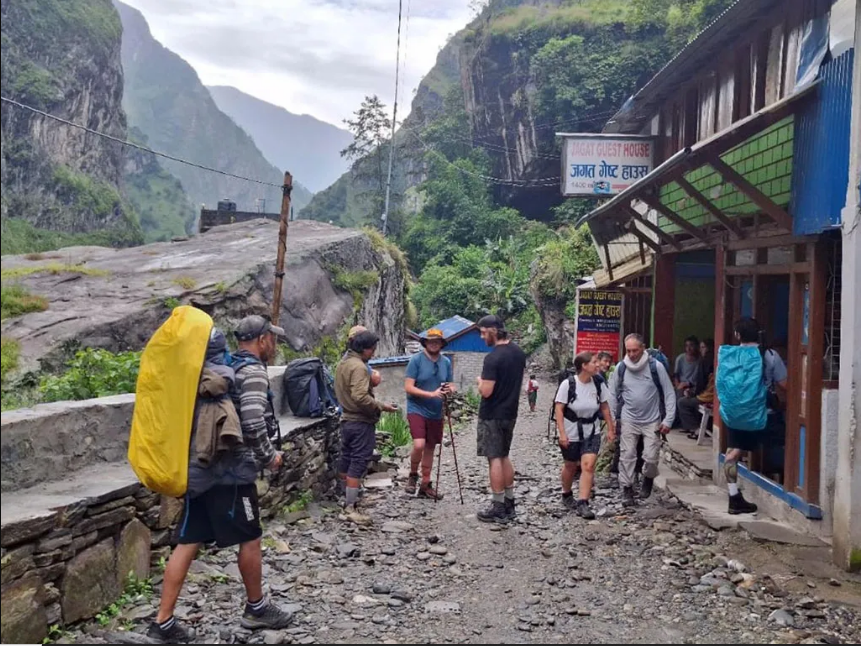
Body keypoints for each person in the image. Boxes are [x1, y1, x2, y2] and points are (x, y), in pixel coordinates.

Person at [148, 316, 293, 643]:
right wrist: (270, 457)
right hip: (231, 475)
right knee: (251, 536)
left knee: (188, 541)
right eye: (273, 337)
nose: (275, 343)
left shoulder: (215, 369)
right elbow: (254, 423)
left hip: (199, 469)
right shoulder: (252, 372)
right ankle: (256, 608)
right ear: (262, 339)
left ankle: (163, 621)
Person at [717, 318, 787, 515]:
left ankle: (733, 496)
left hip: (734, 414)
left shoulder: (730, 355)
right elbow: (785, 384)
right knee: (788, 443)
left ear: (738, 335)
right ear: (759, 333)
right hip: (763, 415)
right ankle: (782, 482)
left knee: (732, 453)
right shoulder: (769, 355)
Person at [334, 329, 398, 522]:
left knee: (346, 457)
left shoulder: (343, 364)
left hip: (345, 419)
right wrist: (382, 406)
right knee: (358, 461)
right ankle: (351, 505)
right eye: (372, 349)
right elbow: (360, 396)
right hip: (360, 421)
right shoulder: (359, 367)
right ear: (365, 349)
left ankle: (343, 495)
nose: (373, 353)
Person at [609, 333, 677, 507]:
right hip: (628, 419)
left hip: (652, 419)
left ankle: (648, 478)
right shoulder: (621, 368)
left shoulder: (656, 367)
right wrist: (612, 419)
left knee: (651, 457)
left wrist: (668, 419)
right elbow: (611, 393)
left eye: (635, 350)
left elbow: (669, 393)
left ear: (643, 348)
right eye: (628, 350)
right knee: (627, 455)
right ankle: (627, 490)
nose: (632, 354)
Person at [475, 315, 527, 524]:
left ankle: (497, 505)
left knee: (494, 457)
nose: (481, 337)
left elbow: (486, 391)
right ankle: (509, 501)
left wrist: (479, 381)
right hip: (510, 411)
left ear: (493, 331)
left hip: (492, 414)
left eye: (482, 332)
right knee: (504, 455)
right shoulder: (518, 352)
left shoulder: (493, 358)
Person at [554, 352, 616, 519]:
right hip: (571, 430)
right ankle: (566, 494)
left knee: (588, 466)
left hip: (592, 430)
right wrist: (562, 433)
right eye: (594, 362)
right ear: (584, 366)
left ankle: (583, 502)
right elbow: (559, 409)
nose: (598, 365)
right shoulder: (568, 384)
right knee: (570, 465)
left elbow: (604, 406)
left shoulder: (598, 383)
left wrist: (610, 428)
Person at [404, 328, 454, 500]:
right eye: (430, 341)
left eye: (437, 341)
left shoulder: (446, 362)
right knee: (419, 444)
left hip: (436, 410)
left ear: (441, 343)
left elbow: (450, 383)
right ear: (425, 342)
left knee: (430, 448)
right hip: (416, 407)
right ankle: (412, 475)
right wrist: (431, 394)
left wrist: (450, 389)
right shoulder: (416, 360)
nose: (434, 343)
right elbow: (408, 387)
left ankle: (426, 484)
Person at [678, 339, 715, 438]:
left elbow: (701, 384)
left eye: (703, 347)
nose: (701, 350)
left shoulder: (705, 361)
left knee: (682, 402)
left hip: (708, 396)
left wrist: (692, 393)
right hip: (713, 395)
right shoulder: (716, 359)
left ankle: (695, 429)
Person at [673, 336, 702, 417]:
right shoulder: (680, 358)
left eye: (691, 345)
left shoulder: (700, 360)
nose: (688, 348)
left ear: (696, 346)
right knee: (677, 393)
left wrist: (688, 384)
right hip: (681, 385)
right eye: (686, 346)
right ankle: (675, 419)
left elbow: (698, 378)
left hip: (694, 386)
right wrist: (677, 386)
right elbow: (676, 375)